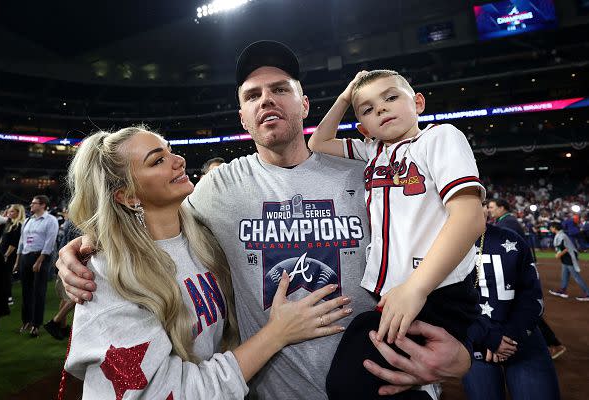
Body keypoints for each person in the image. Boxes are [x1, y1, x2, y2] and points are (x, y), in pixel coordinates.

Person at [56, 41, 473, 399]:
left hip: (389, 386)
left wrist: (465, 351)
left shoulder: (368, 173)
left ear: (304, 104)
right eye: (252, 95)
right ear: (243, 117)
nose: (266, 100)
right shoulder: (217, 190)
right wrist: (84, 246)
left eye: (279, 89)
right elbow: (147, 223)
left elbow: (455, 244)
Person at [62, 126, 351, 399]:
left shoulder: (202, 239)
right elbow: (163, 394)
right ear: (128, 196)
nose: (178, 160)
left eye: (170, 150)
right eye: (157, 160)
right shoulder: (106, 274)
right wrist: (277, 334)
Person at [308, 70, 485, 399]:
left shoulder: (439, 137)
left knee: (353, 381)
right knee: (372, 381)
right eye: (368, 109)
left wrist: (417, 288)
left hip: (434, 290)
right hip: (398, 294)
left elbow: (470, 216)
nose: (381, 110)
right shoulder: (372, 151)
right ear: (364, 128)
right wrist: (346, 97)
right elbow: (317, 142)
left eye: (391, 98)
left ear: (417, 102)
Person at [463, 208, 560, 400]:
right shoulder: (438, 245)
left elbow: (532, 297)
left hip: (521, 340)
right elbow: (444, 305)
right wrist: (487, 336)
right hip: (475, 344)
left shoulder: (511, 238)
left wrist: (510, 336)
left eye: (482, 202)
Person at [13, 195, 59, 337]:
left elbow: (49, 242)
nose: (31, 205)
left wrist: (39, 260)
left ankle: (36, 324)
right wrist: (17, 260)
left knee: (39, 291)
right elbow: (22, 240)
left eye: (34, 203)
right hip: (26, 256)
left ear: (43, 205)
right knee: (26, 291)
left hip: (40, 257)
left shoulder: (51, 220)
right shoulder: (28, 220)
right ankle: (26, 321)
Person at [547, 221, 589, 301]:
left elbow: (565, 248)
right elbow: (561, 247)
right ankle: (563, 290)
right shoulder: (560, 235)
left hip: (569, 257)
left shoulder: (561, 236)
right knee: (564, 274)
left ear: (555, 228)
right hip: (566, 257)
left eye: (551, 227)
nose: (550, 228)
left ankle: (587, 293)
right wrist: (559, 254)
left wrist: (559, 254)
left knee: (576, 276)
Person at [0, 204, 26, 305]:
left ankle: (8, 297)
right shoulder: (8, 224)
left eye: (12, 211)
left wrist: (6, 255)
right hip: (3, 252)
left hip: (9, 255)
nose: (9, 213)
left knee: (6, 276)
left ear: (18, 213)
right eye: (9, 211)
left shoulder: (18, 225)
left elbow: (14, 243)